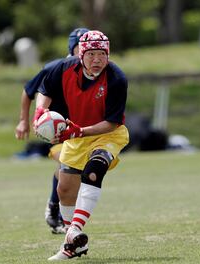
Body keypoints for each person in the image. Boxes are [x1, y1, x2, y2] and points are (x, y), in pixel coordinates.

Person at [32, 30, 129, 260]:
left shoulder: (117, 78)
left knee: (94, 171)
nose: (97, 60)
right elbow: (44, 90)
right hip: (76, 138)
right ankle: (74, 244)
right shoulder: (63, 68)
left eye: (102, 54)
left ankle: (73, 231)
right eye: (92, 54)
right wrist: (39, 113)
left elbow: (112, 122)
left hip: (108, 135)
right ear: (81, 54)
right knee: (64, 190)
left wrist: (80, 130)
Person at [15, 27, 89, 234]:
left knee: (75, 170)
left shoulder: (94, 72)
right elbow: (28, 91)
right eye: (83, 47)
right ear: (73, 47)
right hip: (54, 129)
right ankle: (55, 211)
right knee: (67, 166)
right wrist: (24, 121)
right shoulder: (56, 68)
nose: (89, 51)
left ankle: (57, 208)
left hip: (78, 130)